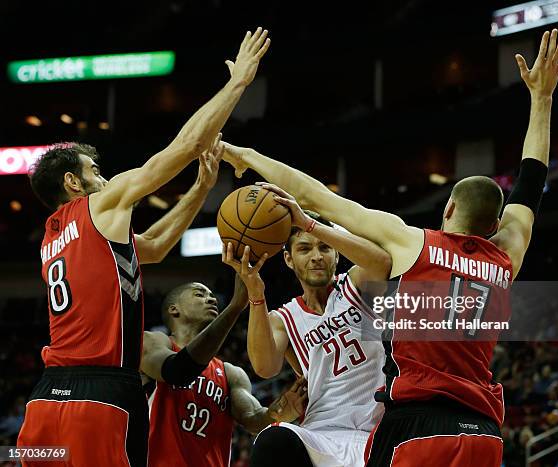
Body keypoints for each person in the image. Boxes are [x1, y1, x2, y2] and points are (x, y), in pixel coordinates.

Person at [221, 29, 558, 467]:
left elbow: (318, 196)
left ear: (447, 209)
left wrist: (251, 156)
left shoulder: (412, 243)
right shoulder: (506, 259)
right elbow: (531, 183)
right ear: (496, 226)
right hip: (484, 434)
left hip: (415, 428)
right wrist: (543, 99)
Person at [17, 27, 271, 467]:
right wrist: (238, 83)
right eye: (94, 171)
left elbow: (150, 248)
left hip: (44, 402)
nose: (104, 177)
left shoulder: (53, 238)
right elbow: (187, 145)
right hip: (99, 399)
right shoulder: (99, 204)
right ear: (73, 183)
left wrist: (200, 189)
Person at [222, 189, 391, 467]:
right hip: (321, 433)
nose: (316, 256)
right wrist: (255, 293)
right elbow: (265, 367)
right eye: (304, 248)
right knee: (271, 440)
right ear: (289, 259)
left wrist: (311, 224)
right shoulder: (284, 317)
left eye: (324, 247)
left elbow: (382, 262)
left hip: (378, 433)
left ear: (337, 255)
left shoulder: (357, 286)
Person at [142, 275, 307, 467]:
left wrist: (280, 412)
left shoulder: (229, 373)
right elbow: (177, 369)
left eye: (212, 295)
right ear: (174, 309)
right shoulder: (153, 342)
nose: (211, 299)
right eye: (199, 294)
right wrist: (235, 307)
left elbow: (253, 418)